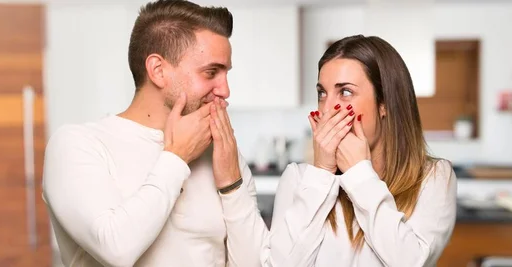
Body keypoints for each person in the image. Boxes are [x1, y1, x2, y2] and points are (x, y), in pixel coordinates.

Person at [42, 1, 263, 266]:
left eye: (226, 73)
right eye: (211, 72)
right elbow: (116, 248)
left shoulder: (223, 154)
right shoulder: (77, 145)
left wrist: (231, 185)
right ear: (158, 71)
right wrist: (176, 157)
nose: (225, 90)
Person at [225, 35, 458, 266]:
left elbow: (411, 262)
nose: (328, 109)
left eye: (345, 92)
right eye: (322, 93)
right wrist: (322, 173)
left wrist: (359, 174)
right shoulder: (298, 179)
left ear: (384, 102)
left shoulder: (434, 177)